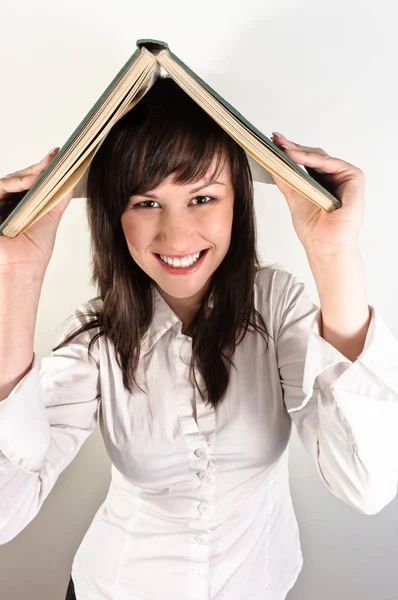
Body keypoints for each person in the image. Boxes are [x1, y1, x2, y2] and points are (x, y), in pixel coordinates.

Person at [0, 77, 397, 600]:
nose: (177, 236)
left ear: (238, 202)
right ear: (114, 217)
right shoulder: (96, 336)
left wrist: (334, 251)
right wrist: (16, 273)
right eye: (145, 203)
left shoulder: (276, 307)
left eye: (203, 197)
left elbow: (367, 486)